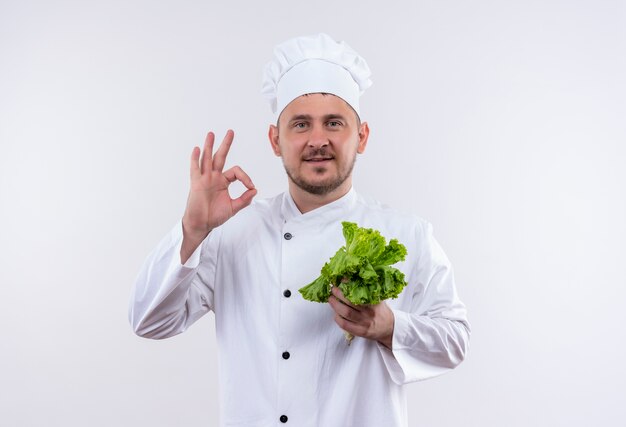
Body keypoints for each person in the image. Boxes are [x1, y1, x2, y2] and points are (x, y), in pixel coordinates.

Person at [129, 33, 470, 427]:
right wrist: (192, 229)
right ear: (276, 140)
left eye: (334, 123)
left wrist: (390, 327)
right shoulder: (235, 233)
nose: (318, 140)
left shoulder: (406, 234)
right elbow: (148, 321)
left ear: (362, 136)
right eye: (301, 124)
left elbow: (455, 341)